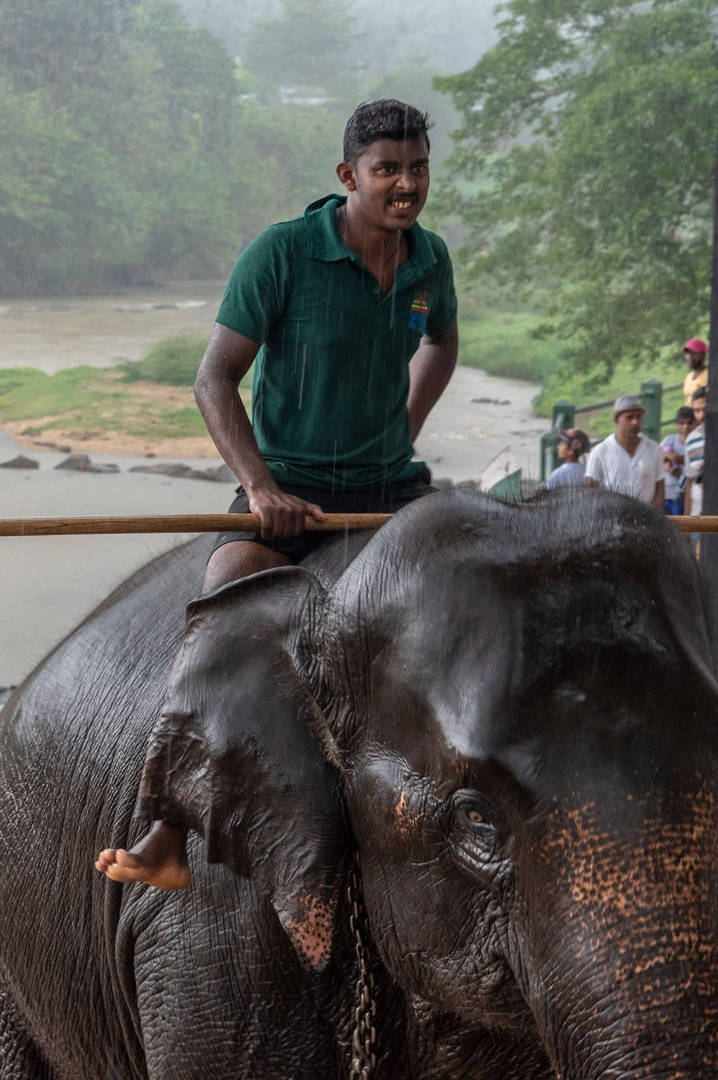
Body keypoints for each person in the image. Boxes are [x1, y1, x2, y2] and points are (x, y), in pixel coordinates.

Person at [94, 99, 460, 890]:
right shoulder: (284, 254)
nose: (406, 185)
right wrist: (260, 486)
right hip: (288, 494)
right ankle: (167, 829)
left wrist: (403, 426)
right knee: (227, 601)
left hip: (388, 494)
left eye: (418, 168)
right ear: (348, 175)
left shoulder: (429, 262)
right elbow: (212, 379)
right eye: (387, 169)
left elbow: (441, 344)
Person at [584, 396, 664, 507]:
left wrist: (655, 517)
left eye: (639, 417)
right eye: (629, 417)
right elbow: (590, 490)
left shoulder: (653, 449)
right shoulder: (600, 452)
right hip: (611, 517)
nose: (635, 422)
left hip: (646, 517)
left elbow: (660, 486)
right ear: (616, 420)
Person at [683, 387, 706, 519]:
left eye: (705, 409)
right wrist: (686, 521)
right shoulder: (691, 439)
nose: (701, 415)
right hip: (696, 516)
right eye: (697, 410)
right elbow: (689, 480)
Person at [681, 338, 709, 402]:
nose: (690, 356)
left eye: (694, 353)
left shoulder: (709, 375)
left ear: (703, 355)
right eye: (687, 353)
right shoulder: (688, 377)